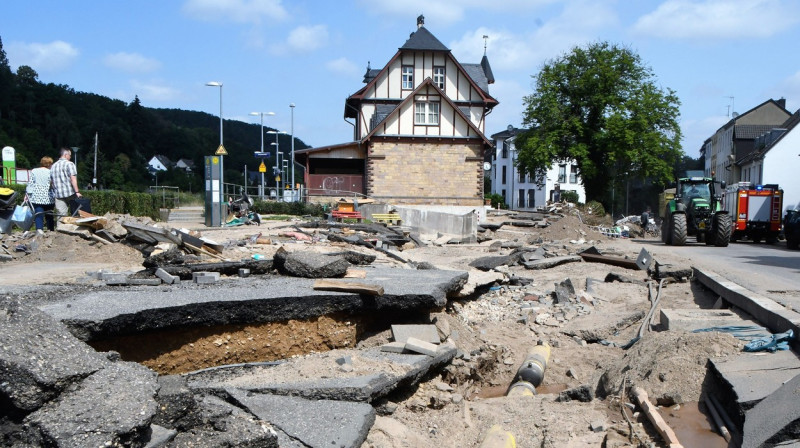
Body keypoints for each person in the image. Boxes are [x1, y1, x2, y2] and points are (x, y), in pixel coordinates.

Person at [50, 147, 82, 223]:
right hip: (70, 193)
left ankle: (60, 232)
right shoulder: (70, 164)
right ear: (66, 154)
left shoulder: (53, 166)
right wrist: (77, 192)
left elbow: (51, 182)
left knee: (61, 216)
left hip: (58, 194)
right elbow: (73, 178)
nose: (70, 157)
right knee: (76, 213)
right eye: (70, 155)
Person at [25, 156, 56, 235]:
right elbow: (53, 184)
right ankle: (51, 230)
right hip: (49, 196)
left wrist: (27, 194)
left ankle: (39, 229)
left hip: (36, 196)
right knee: (49, 215)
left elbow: (31, 183)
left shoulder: (34, 171)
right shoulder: (51, 172)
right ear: (49, 164)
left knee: (39, 213)